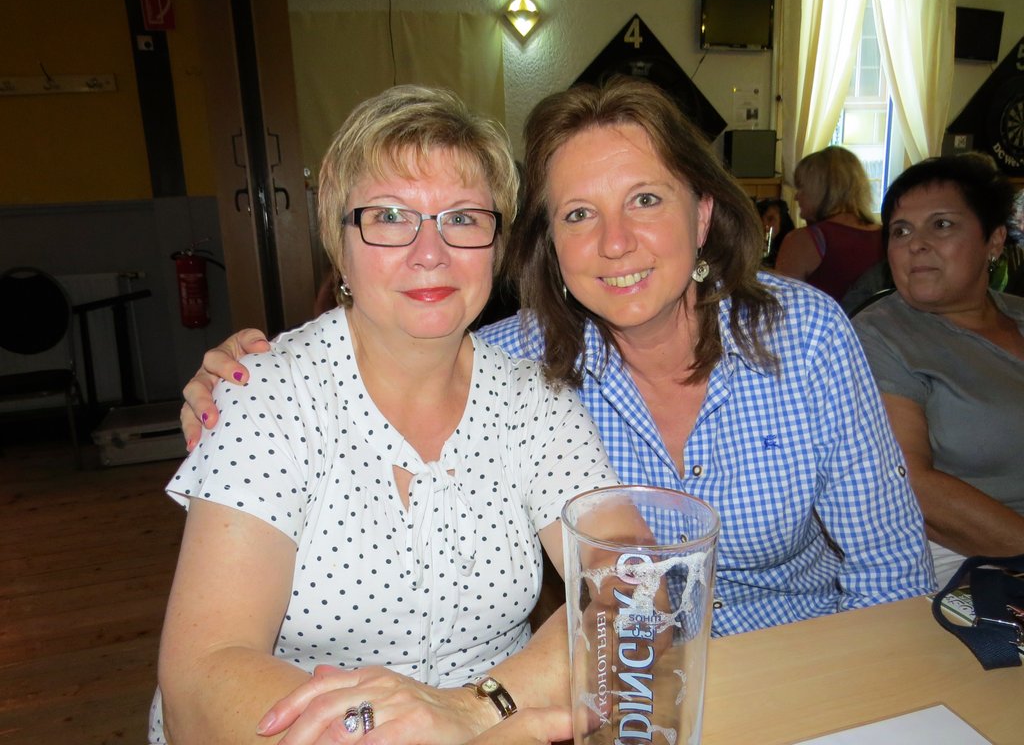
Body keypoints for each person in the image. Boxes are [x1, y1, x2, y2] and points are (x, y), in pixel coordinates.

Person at [182, 77, 934, 642]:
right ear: (550, 244)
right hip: (629, 689)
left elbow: (889, 564)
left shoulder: (805, 334)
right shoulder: (520, 368)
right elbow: (401, 345)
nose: (615, 242)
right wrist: (245, 379)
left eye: (646, 200)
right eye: (579, 214)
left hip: (807, 651)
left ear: (703, 214)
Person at [151, 85, 619, 745]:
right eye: (390, 217)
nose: (430, 252)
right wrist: (394, 733)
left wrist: (474, 710)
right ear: (338, 244)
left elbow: (636, 590)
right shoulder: (264, 394)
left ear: (497, 246)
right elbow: (201, 679)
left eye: (463, 218)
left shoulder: (536, 399)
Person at [852, 153, 1024, 585]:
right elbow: (909, 483)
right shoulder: (880, 336)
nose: (916, 243)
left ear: (994, 241)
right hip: (961, 557)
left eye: (942, 224)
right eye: (901, 231)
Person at [775, 146, 885, 308]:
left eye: (801, 187)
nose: (797, 196)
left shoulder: (803, 240)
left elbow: (781, 308)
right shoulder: (888, 236)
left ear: (821, 190)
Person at [755, 196, 795, 266]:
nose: (764, 225)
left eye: (770, 219)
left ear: (782, 221)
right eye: (760, 220)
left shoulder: (792, 248)